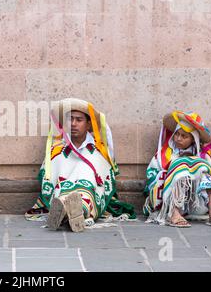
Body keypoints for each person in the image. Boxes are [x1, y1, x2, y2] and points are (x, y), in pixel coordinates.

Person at [25, 98, 136, 232]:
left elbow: (104, 177)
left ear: (89, 124)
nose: (73, 124)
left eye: (79, 120)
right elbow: (49, 175)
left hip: (89, 192)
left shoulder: (99, 150)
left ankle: (77, 212)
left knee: (86, 179)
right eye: (70, 119)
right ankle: (66, 211)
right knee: (62, 194)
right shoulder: (56, 149)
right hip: (62, 190)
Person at [143, 111, 211, 227]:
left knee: (204, 171)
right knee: (181, 167)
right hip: (168, 200)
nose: (178, 139)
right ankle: (175, 214)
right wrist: (172, 172)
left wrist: (194, 167)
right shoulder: (163, 155)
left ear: (193, 139)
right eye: (177, 134)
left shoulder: (204, 155)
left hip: (197, 203)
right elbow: (151, 175)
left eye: (184, 136)